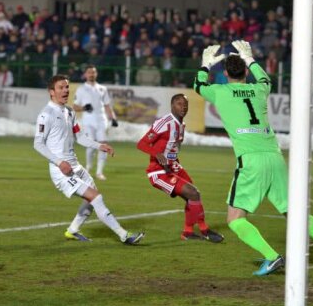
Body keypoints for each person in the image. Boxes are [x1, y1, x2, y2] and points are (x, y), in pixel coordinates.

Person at [194, 41, 313, 276]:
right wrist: (251, 58)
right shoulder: (259, 90)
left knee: (235, 220)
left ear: (225, 74)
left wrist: (205, 64)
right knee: (295, 213)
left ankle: (273, 257)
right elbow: (266, 80)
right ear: (245, 71)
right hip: (275, 158)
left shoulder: (220, 91)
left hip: (251, 160)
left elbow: (198, 85)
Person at [33, 74, 144, 244]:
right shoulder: (46, 114)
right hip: (61, 171)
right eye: (61, 87)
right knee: (96, 197)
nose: (65, 90)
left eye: (67, 87)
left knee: (91, 200)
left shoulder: (69, 111)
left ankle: (72, 230)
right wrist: (59, 162)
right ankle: (124, 235)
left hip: (75, 166)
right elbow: (38, 144)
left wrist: (100, 145)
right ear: (51, 92)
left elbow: (80, 137)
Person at [137, 94, 224, 243]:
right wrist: (156, 154)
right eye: (179, 104)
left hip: (173, 167)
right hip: (158, 171)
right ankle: (204, 230)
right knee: (193, 193)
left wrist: (174, 164)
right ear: (172, 105)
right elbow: (142, 143)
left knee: (194, 194)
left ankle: (188, 232)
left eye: (185, 104)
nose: (183, 107)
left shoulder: (181, 125)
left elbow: (172, 150)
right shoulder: (164, 123)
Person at [73, 65, 119, 180]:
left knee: (103, 144)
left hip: (101, 120)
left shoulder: (103, 88)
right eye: (89, 72)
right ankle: (88, 168)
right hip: (88, 120)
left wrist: (113, 118)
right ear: (85, 74)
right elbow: (74, 106)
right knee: (91, 145)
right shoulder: (81, 89)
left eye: (93, 72)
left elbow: (107, 105)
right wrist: (84, 108)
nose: (91, 74)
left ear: (96, 74)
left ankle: (99, 172)